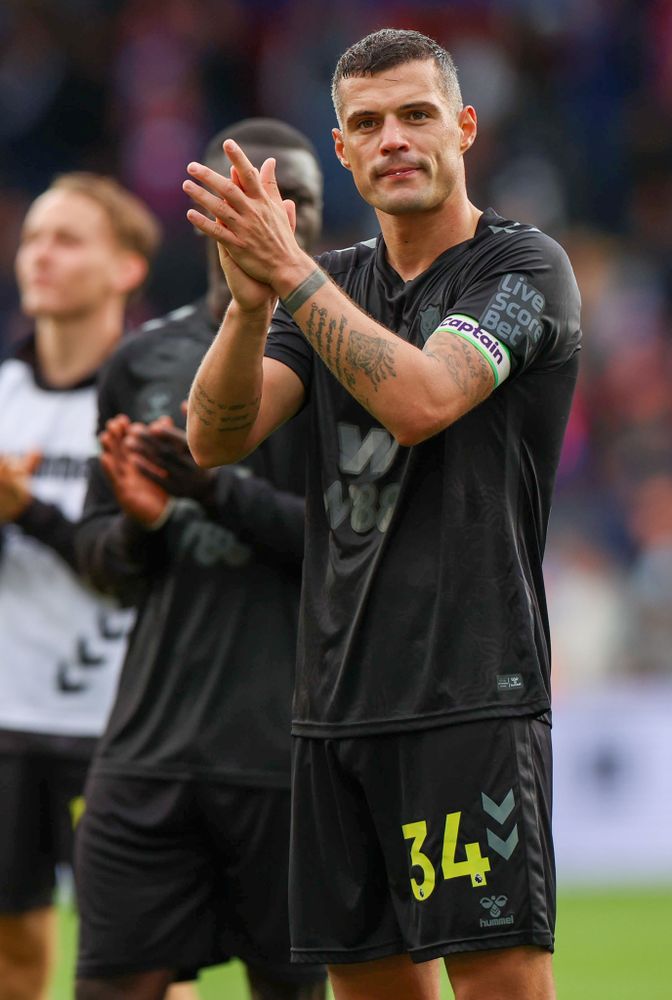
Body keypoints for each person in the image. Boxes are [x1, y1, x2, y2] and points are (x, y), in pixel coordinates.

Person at [185, 29, 582, 1000]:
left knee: (498, 985)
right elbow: (215, 437)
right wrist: (245, 309)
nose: (393, 138)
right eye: (367, 123)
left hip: (468, 693)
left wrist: (290, 275)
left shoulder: (522, 270)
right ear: (341, 148)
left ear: (464, 126)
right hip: (332, 709)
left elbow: (419, 400)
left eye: (415, 115)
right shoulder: (322, 289)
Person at [72, 119, 327, 1000]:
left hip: (292, 759)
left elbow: (356, 551)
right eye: (254, 193)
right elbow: (102, 565)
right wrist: (144, 522)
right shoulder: (142, 364)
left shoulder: (356, 362)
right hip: (150, 750)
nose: (277, 213)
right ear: (208, 217)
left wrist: (214, 489)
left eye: (299, 200)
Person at [0, 174, 160, 1000]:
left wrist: (25, 508)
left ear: (127, 267)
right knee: (13, 957)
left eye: (67, 239)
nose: (41, 256)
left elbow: (142, 569)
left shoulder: (151, 396)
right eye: (33, 238)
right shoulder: (2, 397)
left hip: (123, 731)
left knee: (143, 970)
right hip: (7, 724)